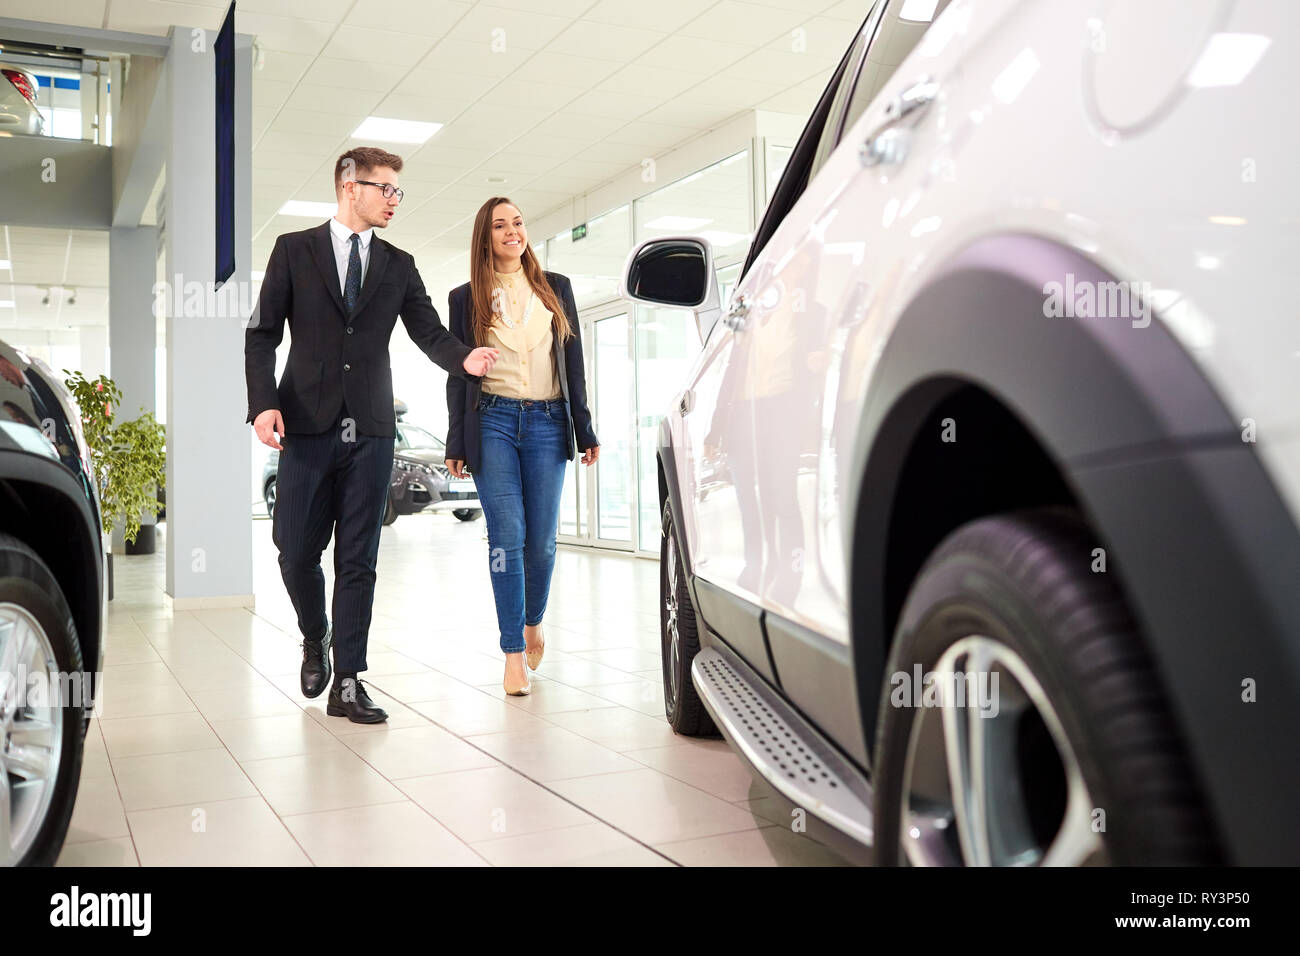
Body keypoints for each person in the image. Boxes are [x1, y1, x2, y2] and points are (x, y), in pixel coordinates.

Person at [245, 147, 499, 723]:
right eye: (383, 188)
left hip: (373, 432)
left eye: (396, 190)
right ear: (348, 187)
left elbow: (429, 332)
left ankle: (349, 680)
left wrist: (466, 360)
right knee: (294, 551)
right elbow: (262, 335)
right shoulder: (294, 250)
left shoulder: (399, 265)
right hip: (305, 426)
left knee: (359, 556)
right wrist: (263, 405)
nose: (392, 199)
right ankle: (316, 636)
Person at [445, 197, 599, 696]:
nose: (512, 231)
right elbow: (457, 373)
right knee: (506, 537)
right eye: (499, 225)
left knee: (542, 541)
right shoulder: (465, 297)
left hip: (550, 422)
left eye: (517, 222)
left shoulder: (556, 288)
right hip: (492, 421)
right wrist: (456, 440)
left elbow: (572, 363)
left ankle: (533, 620)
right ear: (484, 236)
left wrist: (585, 426)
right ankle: (513, 653)